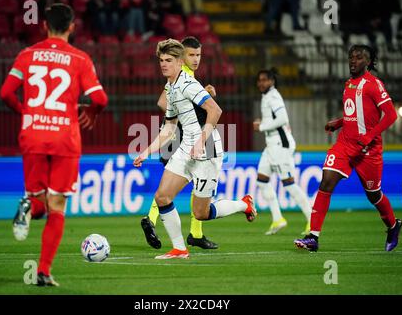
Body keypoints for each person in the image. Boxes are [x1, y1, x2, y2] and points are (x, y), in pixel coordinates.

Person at [0, 3, 108, 286]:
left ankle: (27, 204)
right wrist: (92, 113)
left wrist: (26, 113)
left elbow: (6, 93)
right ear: (72, 27)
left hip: (33, 133)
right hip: (64, 137)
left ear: (45, 26)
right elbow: (100, 99)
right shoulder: (80, 59)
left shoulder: (27, 55)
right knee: (56, 206)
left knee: (38, 201)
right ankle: (44, 272)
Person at [133, 38, 257, 259]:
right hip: (185, 147)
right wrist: (146, 151)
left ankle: (243, 204)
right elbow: (169, 128)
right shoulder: (171, 88)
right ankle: (179, 249)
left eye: (168, 60)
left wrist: (201, 139)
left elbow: (215, 110)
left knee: (201, 213)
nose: (163, 64)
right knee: (162, 197)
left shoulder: (189, 85)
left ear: (179, 62)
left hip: (206, 149)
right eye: (161, 60)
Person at [294, 45, 401, 252]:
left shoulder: (373, 84)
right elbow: (359, 114)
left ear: (368, 62)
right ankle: (313, 237)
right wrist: (340, 122)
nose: (353, 61)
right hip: (345, 145)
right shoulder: (349, 84)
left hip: (368, 150)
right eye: (351, 57)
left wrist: (370, 136)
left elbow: (390, 115)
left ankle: (393, 225)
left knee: (374, 195)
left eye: (358, 58)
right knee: (326, 182)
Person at [141, 36, 219, 250]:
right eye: (191, 55)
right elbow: (164, 103)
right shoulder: (181, 76)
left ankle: (191, 232)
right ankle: (189, 232)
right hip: (188, 135)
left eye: (198, 55)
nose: (195, 59)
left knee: (181, 185)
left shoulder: (184, 77)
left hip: (193, 135)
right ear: (181, 56)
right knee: (181, 185)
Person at [253, 68, 312, 235]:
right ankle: (278, 219)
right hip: (271, 145)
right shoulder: (267, 97)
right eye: (259, 80)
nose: (261, 83)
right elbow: (277, 120)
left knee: (289, 184)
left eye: (265, 80)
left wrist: (262, 126)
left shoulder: (273, 96)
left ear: (272, 81)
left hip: (280, 146)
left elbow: (283, 119)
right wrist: (263, 122)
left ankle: (312, 219)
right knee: (262, 181)